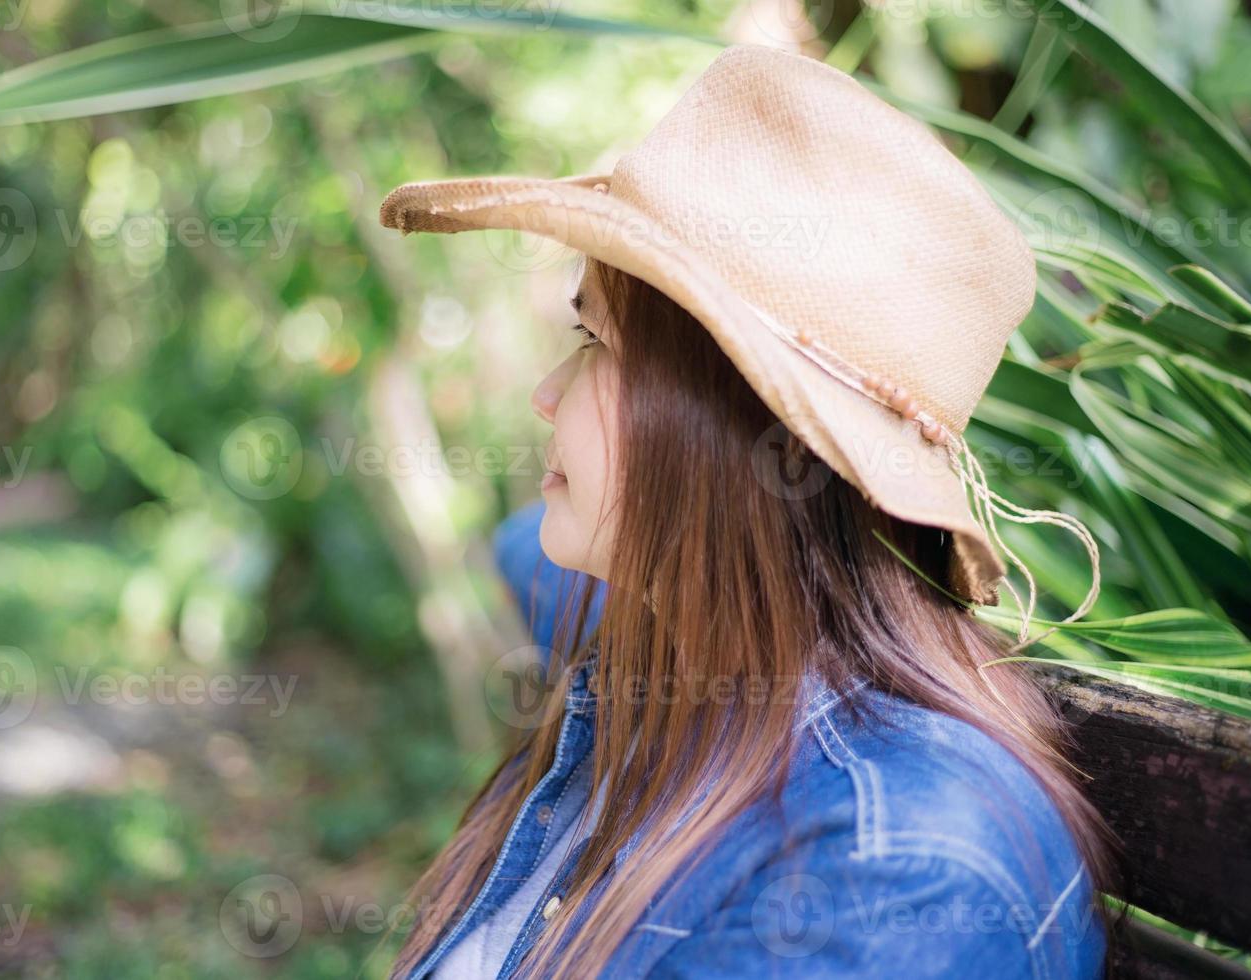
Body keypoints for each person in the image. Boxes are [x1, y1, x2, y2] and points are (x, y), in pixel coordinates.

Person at [378, 43, 1125, 979]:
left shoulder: (888, 876)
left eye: (592, 339)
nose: (544, 393)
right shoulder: (686, 672)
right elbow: (521, 551)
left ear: (738, 430)